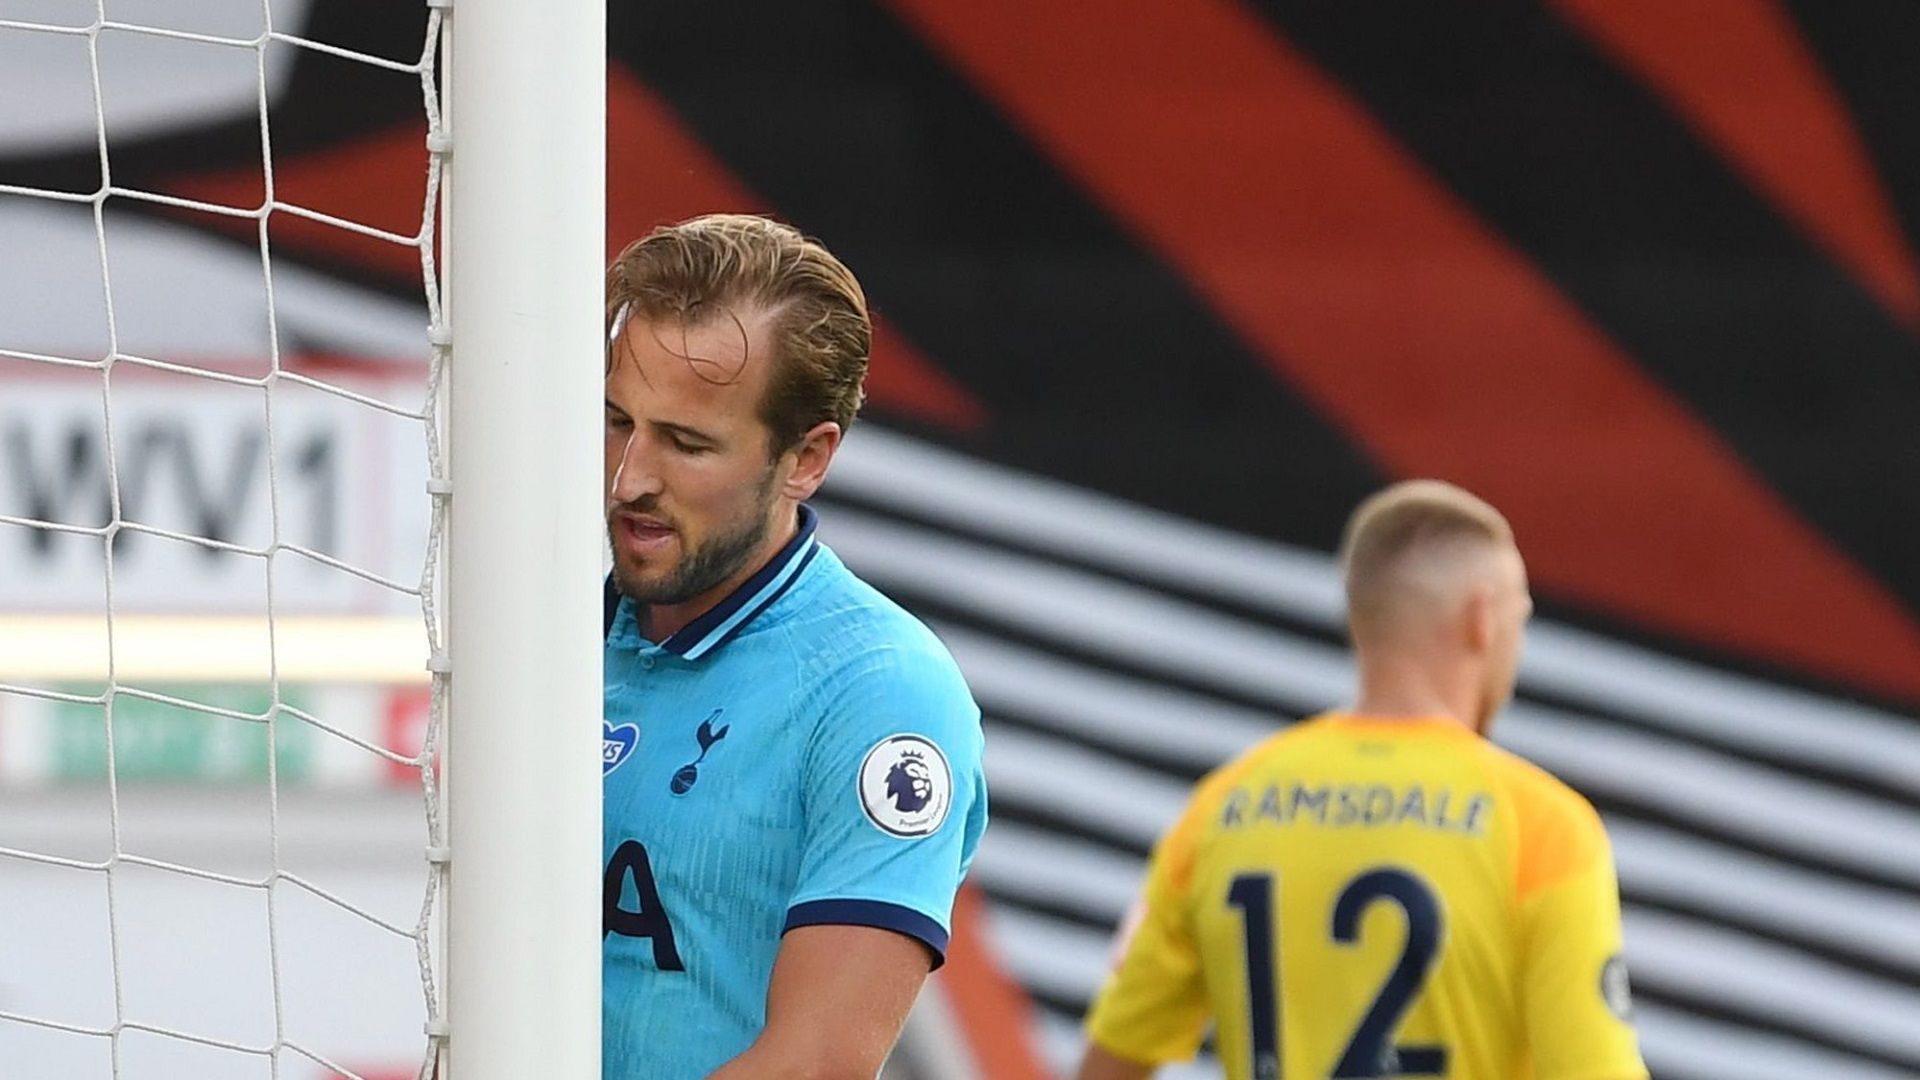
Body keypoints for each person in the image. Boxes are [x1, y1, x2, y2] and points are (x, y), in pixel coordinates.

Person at [1075, 480, 1647, 1080]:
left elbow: (1106, 1067)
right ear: (1482, 619)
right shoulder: (1545, 830)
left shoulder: (1221, 809)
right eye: (1519, 617)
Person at [599, 213, 987, 1079]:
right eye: (619, 421)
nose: (629, 480)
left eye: (689, 443)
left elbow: (815, 1066)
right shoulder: (550, 647)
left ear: (807, 459)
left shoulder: (882, 692)